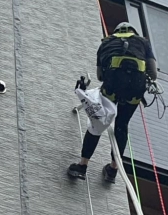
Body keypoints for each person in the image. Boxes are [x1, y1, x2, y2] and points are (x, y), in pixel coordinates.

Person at [67, 22, 158, 182]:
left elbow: (100, 75)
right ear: (133, 32)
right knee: (122, 125)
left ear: (116, 32)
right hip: (135, 89)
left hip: (112, 86)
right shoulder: (143, 42)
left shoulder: (106, 42)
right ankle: (113, 170)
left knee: (97, 122)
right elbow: (153, 74)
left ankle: (82, 166)